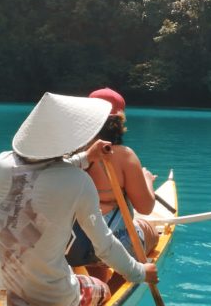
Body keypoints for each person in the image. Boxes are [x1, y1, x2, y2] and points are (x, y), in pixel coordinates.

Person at [0, 92, 158, 306]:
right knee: (102, 289)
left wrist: (87, 157)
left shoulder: (2, 163)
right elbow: (104, 246)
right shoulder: (77, 181)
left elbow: (44, 170)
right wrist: (141, 272)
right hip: (54, 297)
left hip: (0, 295)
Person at [65, 88, 158, 270]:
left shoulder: (70, 154)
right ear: (119, 120)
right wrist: (147, 180)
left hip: (72, 240)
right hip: (111, 242)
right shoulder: (124, 156)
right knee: (150, 229)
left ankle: (92, 269)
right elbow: (145, 208)